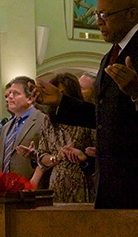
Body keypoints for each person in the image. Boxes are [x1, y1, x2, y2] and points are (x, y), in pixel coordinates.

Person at [35, 0, 138, 209]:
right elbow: (105, 116)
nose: (98, 21)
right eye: (97, 14)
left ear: (132, 13)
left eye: (105, 14)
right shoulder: (110, 55)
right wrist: (61, 101)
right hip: (113, 184)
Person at [36, 73, 96, 203]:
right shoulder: (49, 119)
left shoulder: (86, 118)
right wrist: (56, 157)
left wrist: (84, 157)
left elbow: (97, 153)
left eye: (63, 93)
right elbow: (41, 155)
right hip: (57, 182)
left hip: (83, 181)